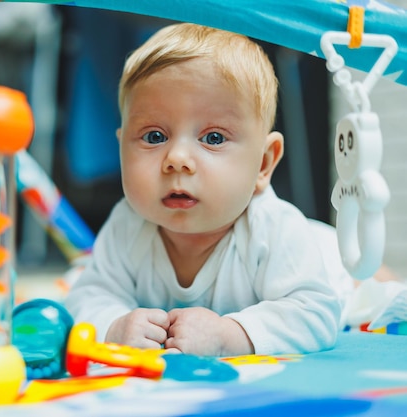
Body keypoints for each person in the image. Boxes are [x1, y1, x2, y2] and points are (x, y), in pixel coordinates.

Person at [64, 23, 353, 356]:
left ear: (263, 164)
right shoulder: (127, 225)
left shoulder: (275, 229)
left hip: (328, 258)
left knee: (369, 290)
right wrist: (114, 326)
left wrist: (228, 334)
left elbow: (314, 313)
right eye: (154, 136)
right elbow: (87, 299)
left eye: (213, 138)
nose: (177, 159)